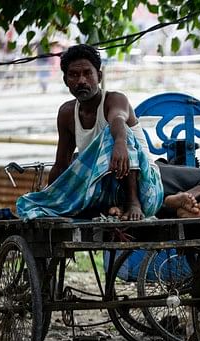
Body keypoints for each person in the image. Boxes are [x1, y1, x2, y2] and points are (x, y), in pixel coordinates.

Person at [16, 44, 163, 221]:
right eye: (74, 75)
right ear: (65, 80)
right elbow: (61, 164)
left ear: (99, 76)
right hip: (106, 193)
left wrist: (120, 143)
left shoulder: (115, 99)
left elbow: (117, 120)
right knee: (31, 201)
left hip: (146, 192)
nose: (81, 81)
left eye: (87, 73)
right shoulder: (66, 113)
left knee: (116, 133)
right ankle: (115, 207)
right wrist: (50, 195)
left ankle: (132, 203)